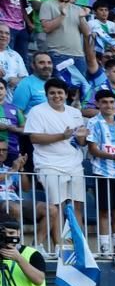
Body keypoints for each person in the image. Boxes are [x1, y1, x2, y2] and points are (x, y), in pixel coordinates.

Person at [24, 78, 87, 255]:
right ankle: (50, 246)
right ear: (47, 95)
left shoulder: (75, 112)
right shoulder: (37, 111)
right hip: (48, 163)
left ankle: (76, 246)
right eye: (52, 93)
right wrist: (62, 136)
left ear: (66, 94)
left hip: (74, 163)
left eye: (60, 92)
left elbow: (80, 141)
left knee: (76, 205)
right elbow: (34, 138)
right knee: (56, 205)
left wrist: (83, 137)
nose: (56, 96)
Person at [85, 88, 115, 255]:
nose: (108, 105)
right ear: (98, 104)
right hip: (102, 172)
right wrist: (113, 157)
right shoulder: (93, 122)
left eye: (111, 102)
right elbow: (93, 149)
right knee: (104, 210)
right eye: (104, 102)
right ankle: (105, 246)